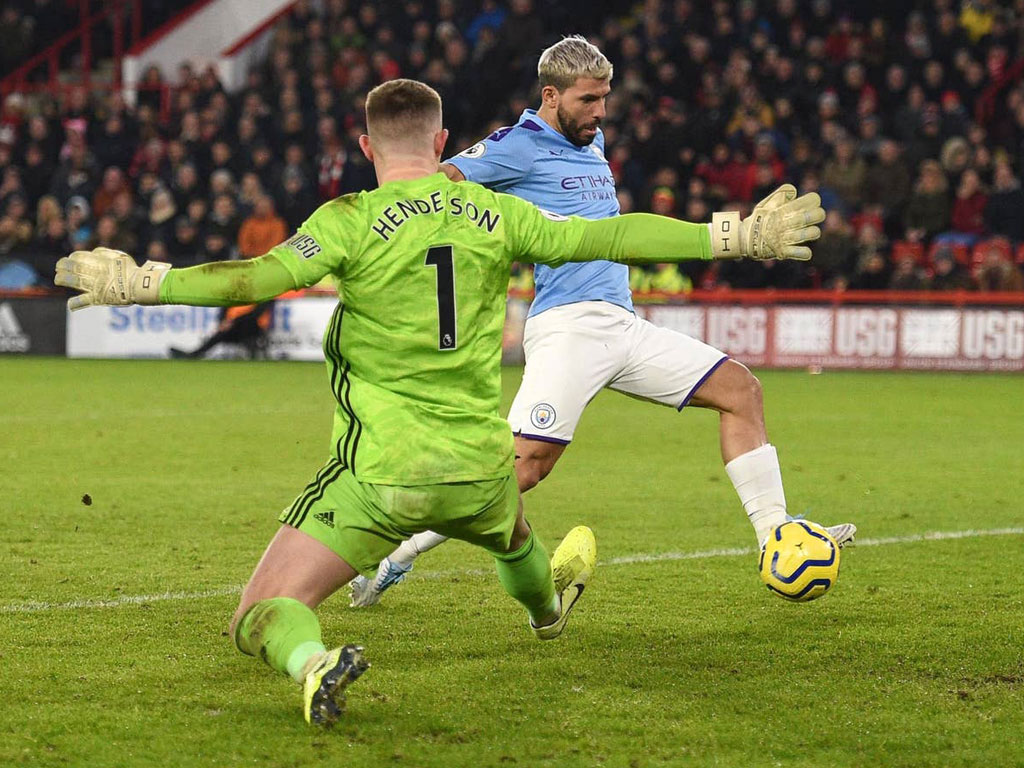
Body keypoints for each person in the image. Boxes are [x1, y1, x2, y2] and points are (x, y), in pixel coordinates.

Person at [55, 79, 824, 725]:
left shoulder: (348, 220)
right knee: (515, 537)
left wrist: (143, 280)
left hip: (385, 474)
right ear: (442, 138)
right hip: (482, 467)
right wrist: (734, 235)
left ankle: (314, 663)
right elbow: (614, 236)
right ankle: (546, 613)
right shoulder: (498, 214)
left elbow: (250, 281)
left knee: (258, 614)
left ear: (365, 146)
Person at [350, 37, 854, 608]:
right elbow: (432, 182)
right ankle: (395, 553)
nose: (601, 112)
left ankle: (777, 539)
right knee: (522, 469)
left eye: (605, 98)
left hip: (623, 325)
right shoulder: (514, 148)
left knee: (741, 389)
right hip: (568, 329)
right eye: (589, 100)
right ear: (550, 96)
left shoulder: (592, 140)